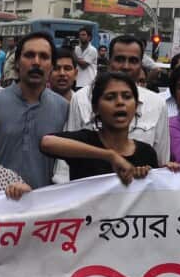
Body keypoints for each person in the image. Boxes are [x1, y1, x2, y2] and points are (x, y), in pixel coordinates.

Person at [59, 35, 170, 182]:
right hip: (88, 195)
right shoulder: (81, 98)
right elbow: (64, 162)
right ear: (109, 61)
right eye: (119, 59)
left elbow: (161, 163)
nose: (125, 66)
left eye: (133, 61)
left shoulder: (157, 104)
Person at [42, 71, 177, 184]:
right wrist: (110, 156)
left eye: (127, 97)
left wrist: (165, 173)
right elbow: (47, 142)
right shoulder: (85, 141)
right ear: (96, 108)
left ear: (136, 106)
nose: (120, 102)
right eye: (110, 97)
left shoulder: (146, 153)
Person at [0, 31, 70, 188]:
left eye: (44, 57)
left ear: (52, 66)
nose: (36, 62)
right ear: (17, 62)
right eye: (29, 55)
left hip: (44, 205)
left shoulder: (63, 108)